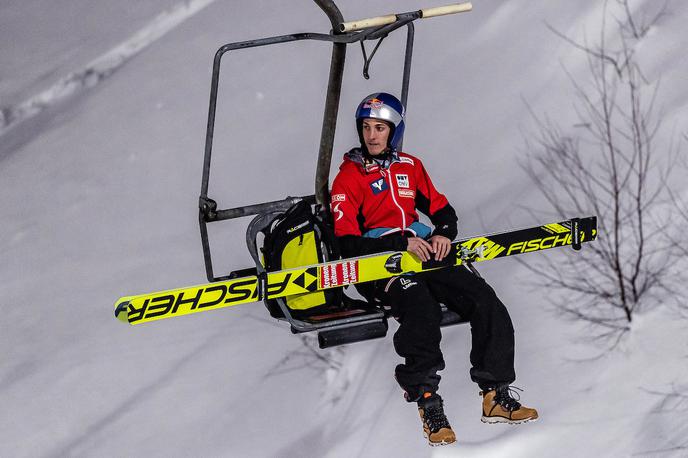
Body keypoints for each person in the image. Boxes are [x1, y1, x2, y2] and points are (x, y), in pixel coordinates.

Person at [329, 92, 538, 446]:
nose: (371, 136)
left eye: (380, 128)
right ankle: (429, 404)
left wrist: (443, 233)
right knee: (421, 308)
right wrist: (398, 244)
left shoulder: (410, 167)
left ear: (394, 131)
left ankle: (495, 394)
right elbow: (346, 243)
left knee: (484, 299)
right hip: (381, 265)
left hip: (425, 254)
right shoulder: (349, 178)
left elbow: (442, 211)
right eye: (366, 128)